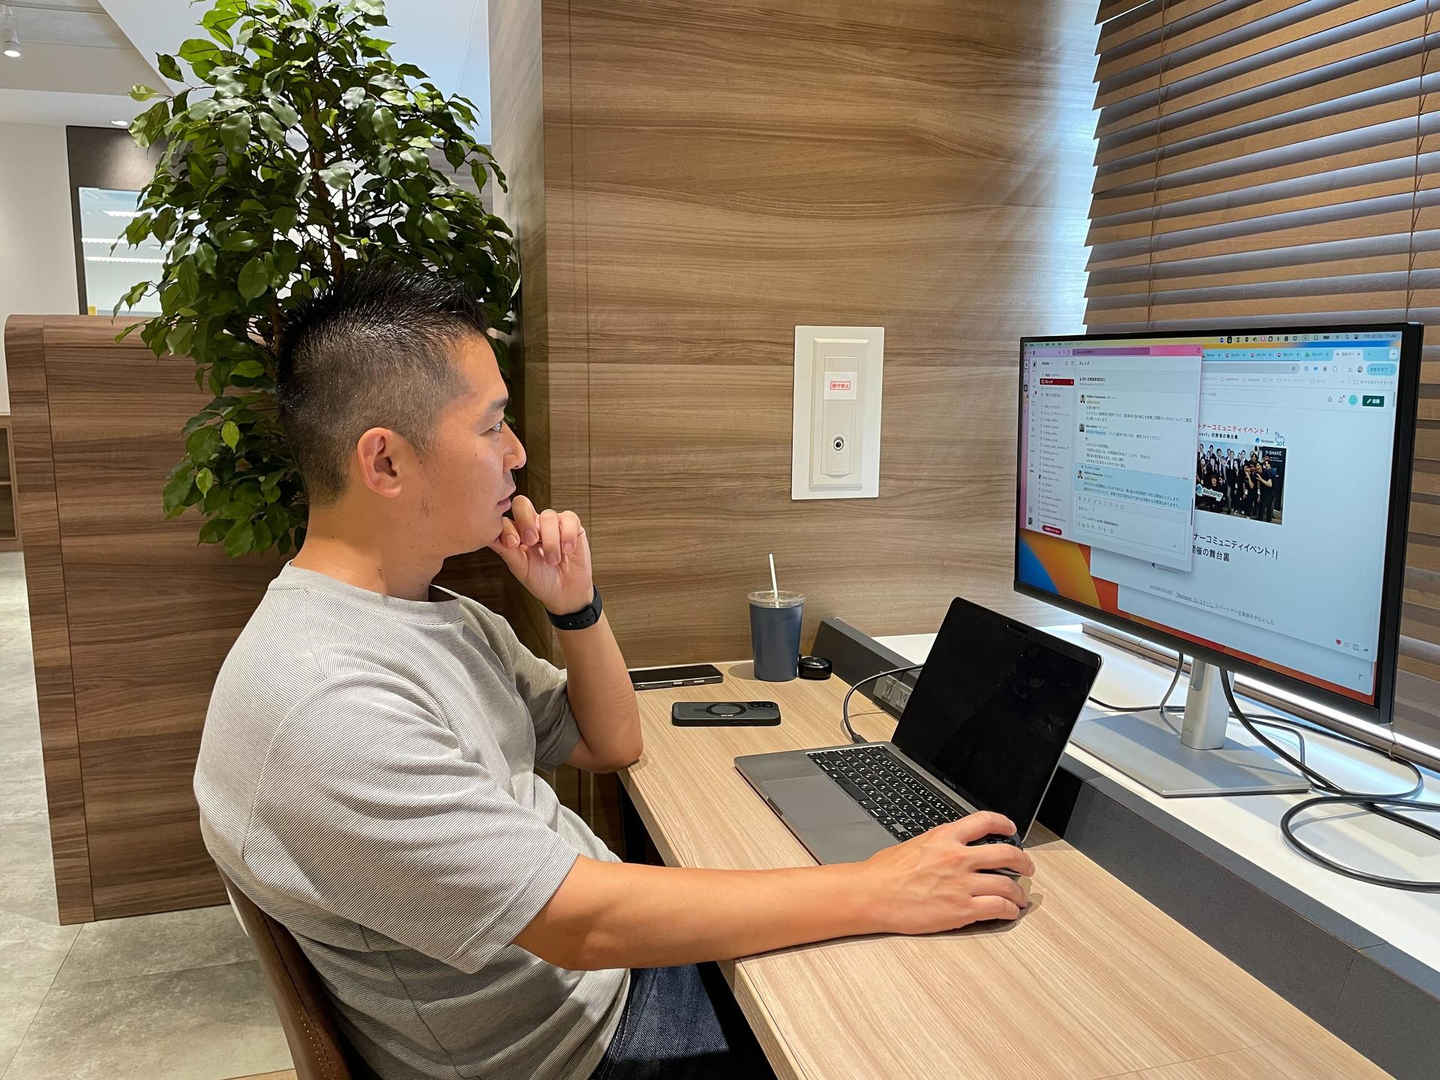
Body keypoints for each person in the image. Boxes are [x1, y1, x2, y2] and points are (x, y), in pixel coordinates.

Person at [193, 267, 1032, 1080]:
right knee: (929, 1021)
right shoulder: (328, 700)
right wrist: (879, 888)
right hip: (588, 1045)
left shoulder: (434, 614)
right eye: (491, 426)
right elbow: (577, 927)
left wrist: (575, 607)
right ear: (384, 463)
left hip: (603, 984)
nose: (517, 453)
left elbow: (611, 742)